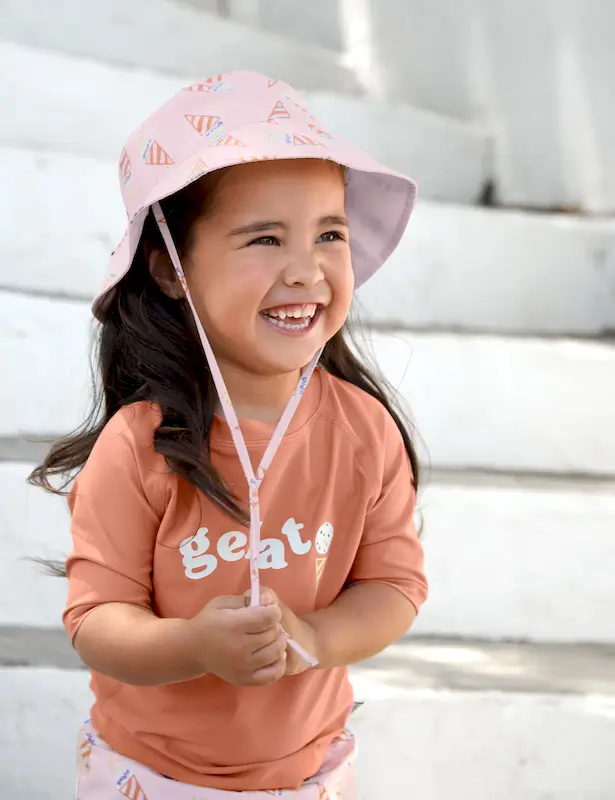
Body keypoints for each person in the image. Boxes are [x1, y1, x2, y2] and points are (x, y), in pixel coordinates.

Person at [30, 71, 428, 798]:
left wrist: (316, 639)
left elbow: (393, 586)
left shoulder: (363, 430)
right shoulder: (140, 442)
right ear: (172, 270)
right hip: (149, 777)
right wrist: (191, 646)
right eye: (265, 238)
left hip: (309, 775)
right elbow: (96, 619)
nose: (306, 269)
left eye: (329, 234)